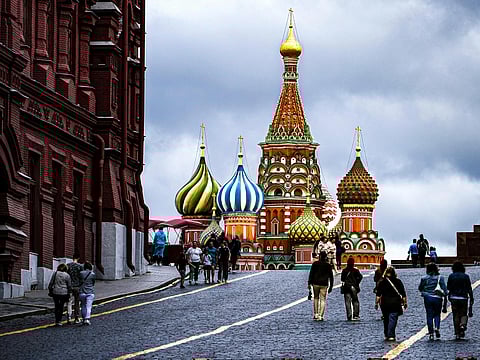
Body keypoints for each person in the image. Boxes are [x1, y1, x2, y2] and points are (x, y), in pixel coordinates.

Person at [375, 267, 408, 341]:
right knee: (393, 319)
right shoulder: (398, 281)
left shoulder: (382, 282)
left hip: (384, 303)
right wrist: (405, 302)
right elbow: (403, 293)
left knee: (386, 319)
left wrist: (376, 303)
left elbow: (378, 294)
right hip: (395, 303)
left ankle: (386, 334)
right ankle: (391, 335)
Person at [418, 262, 448, 340]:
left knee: (429, 315)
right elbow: (445, 289)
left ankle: (431, 333)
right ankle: (437, 328)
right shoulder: (440, 278)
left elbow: (420, 288)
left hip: (428, 297)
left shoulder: (424, 278)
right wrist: (445, 295)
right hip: (438, 298)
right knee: (437, 314)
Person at [447, 261, 474, 340]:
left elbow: (448, 287)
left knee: (455, 315)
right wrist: (471, 297)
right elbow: (469, 288)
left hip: (454, 297)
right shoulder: (466, 276)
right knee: (463, 313)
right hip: (463, 298)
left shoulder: (451, 276)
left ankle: (457, 333)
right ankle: (463, 325)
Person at [308, 252, 334, 321]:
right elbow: (331, 276)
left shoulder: (315, 264)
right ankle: (321, 315)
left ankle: (316, 314)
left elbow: (311, 273)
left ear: (319, 256)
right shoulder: (328, 265)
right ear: (326, 257)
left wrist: (309, 283)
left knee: (316, 298)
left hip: (315, 283)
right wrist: (331, 285)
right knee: (323, 299)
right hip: (324, 284)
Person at [341, 257, 363, 321]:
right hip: (354, 287)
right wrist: (356, 283)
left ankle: (349, 315)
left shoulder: (344, 270)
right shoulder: (356, 270)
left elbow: (342, 279)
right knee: (355, 301)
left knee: (347, 302)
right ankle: (356, 315)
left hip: (347, 287)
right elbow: (360, 277)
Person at [67, 253, 83, 324]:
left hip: (69, 287)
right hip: (77, 286)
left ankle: (69, 318)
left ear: (72, 258)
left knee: (69, 302)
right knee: (77, 302)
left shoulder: (68, 265)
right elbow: (81, 277)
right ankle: (76, 318)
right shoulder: (80, 266)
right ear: (78, 258)